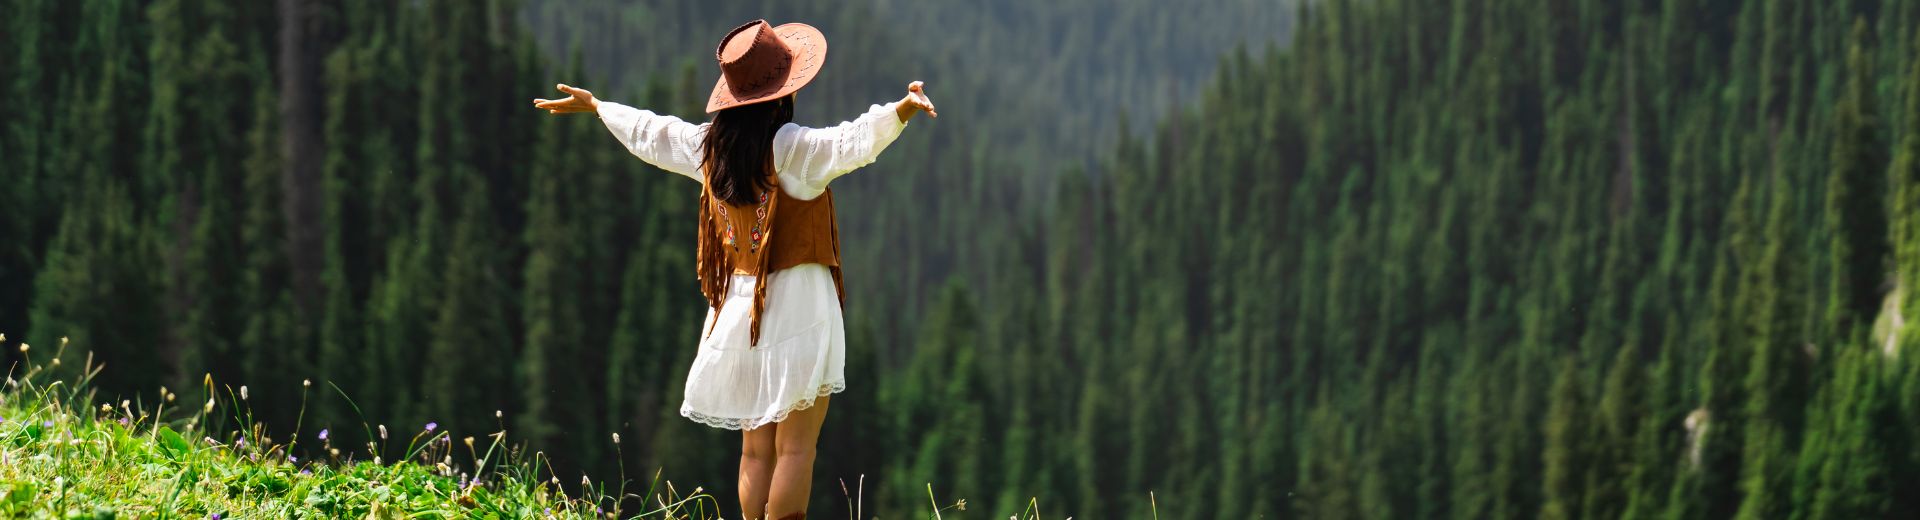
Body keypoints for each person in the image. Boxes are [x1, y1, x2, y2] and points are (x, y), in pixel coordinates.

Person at [531, 18, 936, 520]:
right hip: (800, 306)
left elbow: (653, 133)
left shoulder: (709, 149)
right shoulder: (792, 150)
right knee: (796, 448)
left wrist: (598, 107)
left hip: (741, 308)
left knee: (755, 450)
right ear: (781, 94)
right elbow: (849, 143)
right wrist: (900, 110)